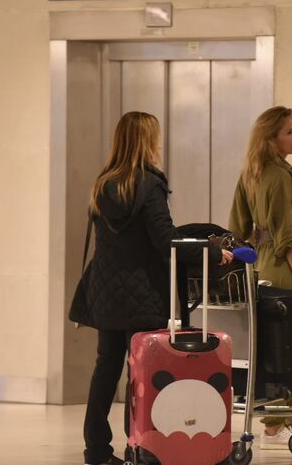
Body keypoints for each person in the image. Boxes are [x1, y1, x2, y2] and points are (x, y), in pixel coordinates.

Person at [74, 111, 233, 465]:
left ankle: (97, 450)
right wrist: (209, 250)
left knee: (106, 367)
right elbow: (166, 241)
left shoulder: (104, 183)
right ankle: (139, 447)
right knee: (140, 373)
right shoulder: (148, 184)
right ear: (148, 141)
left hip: (106, 292)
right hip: (142, 291)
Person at [228, 105, 292, 449]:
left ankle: (271, 416)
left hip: (260, 266)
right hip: (286, 270)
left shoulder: (250, 173)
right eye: (290, 132)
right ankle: (286, 419)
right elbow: (289, 235)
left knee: (270, 346)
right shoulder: (282, 175)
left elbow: (237, 228)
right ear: (271, 139)